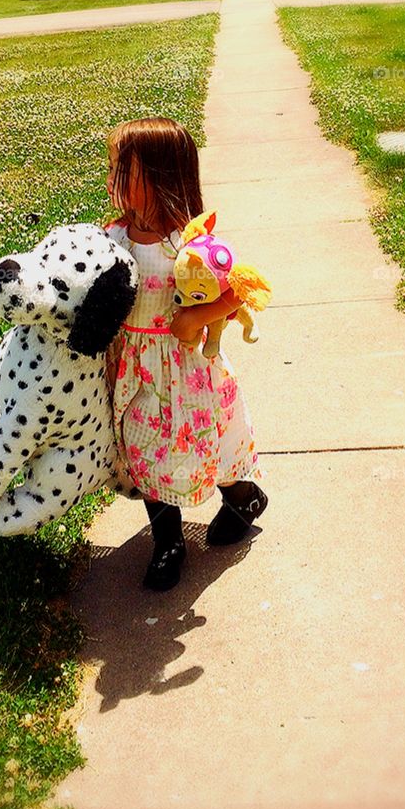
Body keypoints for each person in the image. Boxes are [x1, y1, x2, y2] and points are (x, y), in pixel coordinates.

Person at [103, 116, 268, 592]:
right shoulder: (112, 238)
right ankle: (168, 541)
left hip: (191, 373)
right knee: (145, 452)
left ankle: (244, 498)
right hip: (138, 372)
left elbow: (240, 289)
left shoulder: (191, 245)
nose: (111, 177)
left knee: (207, 450)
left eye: (122, 168)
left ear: (158, 176)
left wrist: (197, 318)